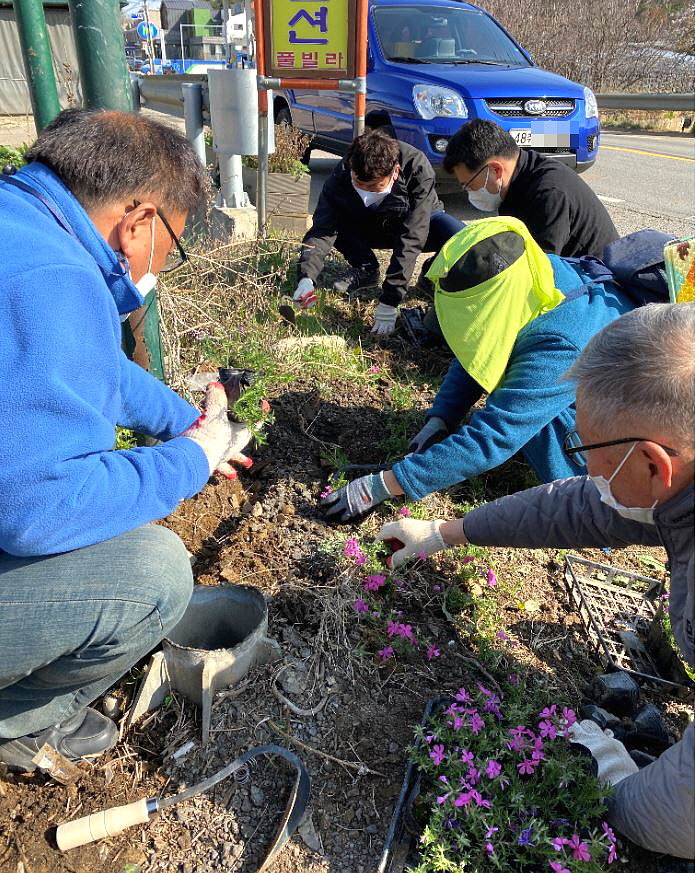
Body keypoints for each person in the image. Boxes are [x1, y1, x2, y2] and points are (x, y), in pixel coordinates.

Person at [375, 303, 695, 860]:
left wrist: (617, 792)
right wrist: (445, 532)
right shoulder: (677, 485)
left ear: (654, 464)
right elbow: (582, 509)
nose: (587, 472)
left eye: (589, 451)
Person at [0, 109, 253, 771]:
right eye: (168, 244)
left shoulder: (20, 227)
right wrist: (192, 459)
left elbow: (88, 366)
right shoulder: (56, 279)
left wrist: (190, 424)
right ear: (137, 219)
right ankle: (18, 723)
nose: (157, 265)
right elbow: (41, 510)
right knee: (154, 574)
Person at [321, 216, 635, 524]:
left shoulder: (561, 342)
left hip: (631, 442)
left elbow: (495, 437)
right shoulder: (534, 273)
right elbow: (483, 350)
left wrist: (384, 484)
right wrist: (441, 418)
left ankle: (595, 505)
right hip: (593, 386)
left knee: (530, 418)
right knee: (519, 386)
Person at [293, 129, 463, 335]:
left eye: (375, 187)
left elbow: (412, 236)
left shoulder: (417, 167)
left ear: (396, 172)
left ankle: (432, 272)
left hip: (417, 221)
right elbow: (322, 229)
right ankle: (366, 268)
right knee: (336, 223)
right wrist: (306, 277)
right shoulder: (343, 172)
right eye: (359, 184)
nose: (367, 193)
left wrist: (390, 299)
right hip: (368, 224)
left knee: (459, 237)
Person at [443, 119, 619, 259]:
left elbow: (539, 269)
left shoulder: (548, 193)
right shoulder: (519, 178)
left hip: (598, 284)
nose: (470, 193)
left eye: (470, 185)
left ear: (496, 170)